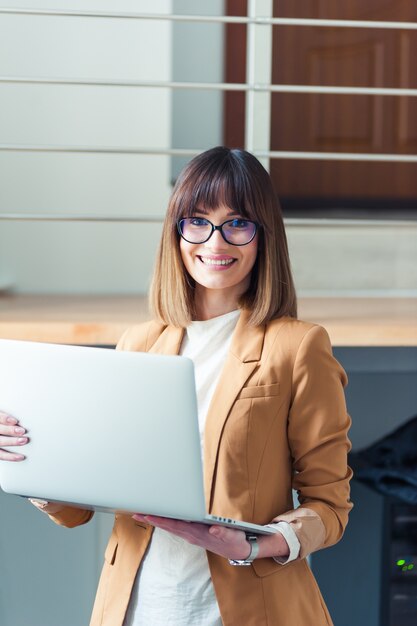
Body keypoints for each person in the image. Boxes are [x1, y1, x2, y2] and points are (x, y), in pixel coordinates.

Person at [0, 147, 352, 626]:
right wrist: (28, 461)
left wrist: (251, 545)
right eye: (198, 221)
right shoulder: (139, 342)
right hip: (138, 605)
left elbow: (328, 508)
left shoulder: (297, 346)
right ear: (177, 232)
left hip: (245, 608)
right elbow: (78, 509)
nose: (215, 240)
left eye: (238, 223)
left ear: (263, 236)